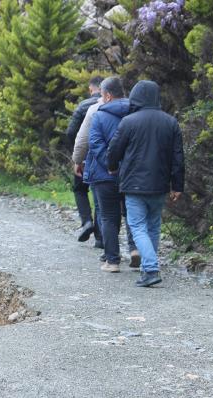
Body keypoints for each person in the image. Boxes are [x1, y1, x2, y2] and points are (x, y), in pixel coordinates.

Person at [107, 80, 185, 288]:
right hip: (160, 184)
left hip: (134, 184)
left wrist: (112, 166)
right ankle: (146, 270)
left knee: (137, 226)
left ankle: (150, 269)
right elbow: (178, 157)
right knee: (153, 226)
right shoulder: (170, 122)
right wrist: (177, 185)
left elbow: (114, 150)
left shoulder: (129, 122)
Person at [75, 77, 139, 272]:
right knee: (132, 213)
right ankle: (135, 249)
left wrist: (80, 161)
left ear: (108, 95)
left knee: (109, 216)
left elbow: (91, 142)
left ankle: (112, 260)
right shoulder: (137, 111)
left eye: (102, 95)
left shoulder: (98, 113)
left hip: (105, 175)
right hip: (132, 173)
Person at [65, 76, 104, 246]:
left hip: (84, 158)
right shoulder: (110, 104)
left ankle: (87, 221)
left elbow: (70, 132)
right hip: (103, 159)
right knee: (101, 197)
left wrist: (76, 157)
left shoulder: (83, 106)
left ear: (90, 89)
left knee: (80, 190)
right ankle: (101, 238)